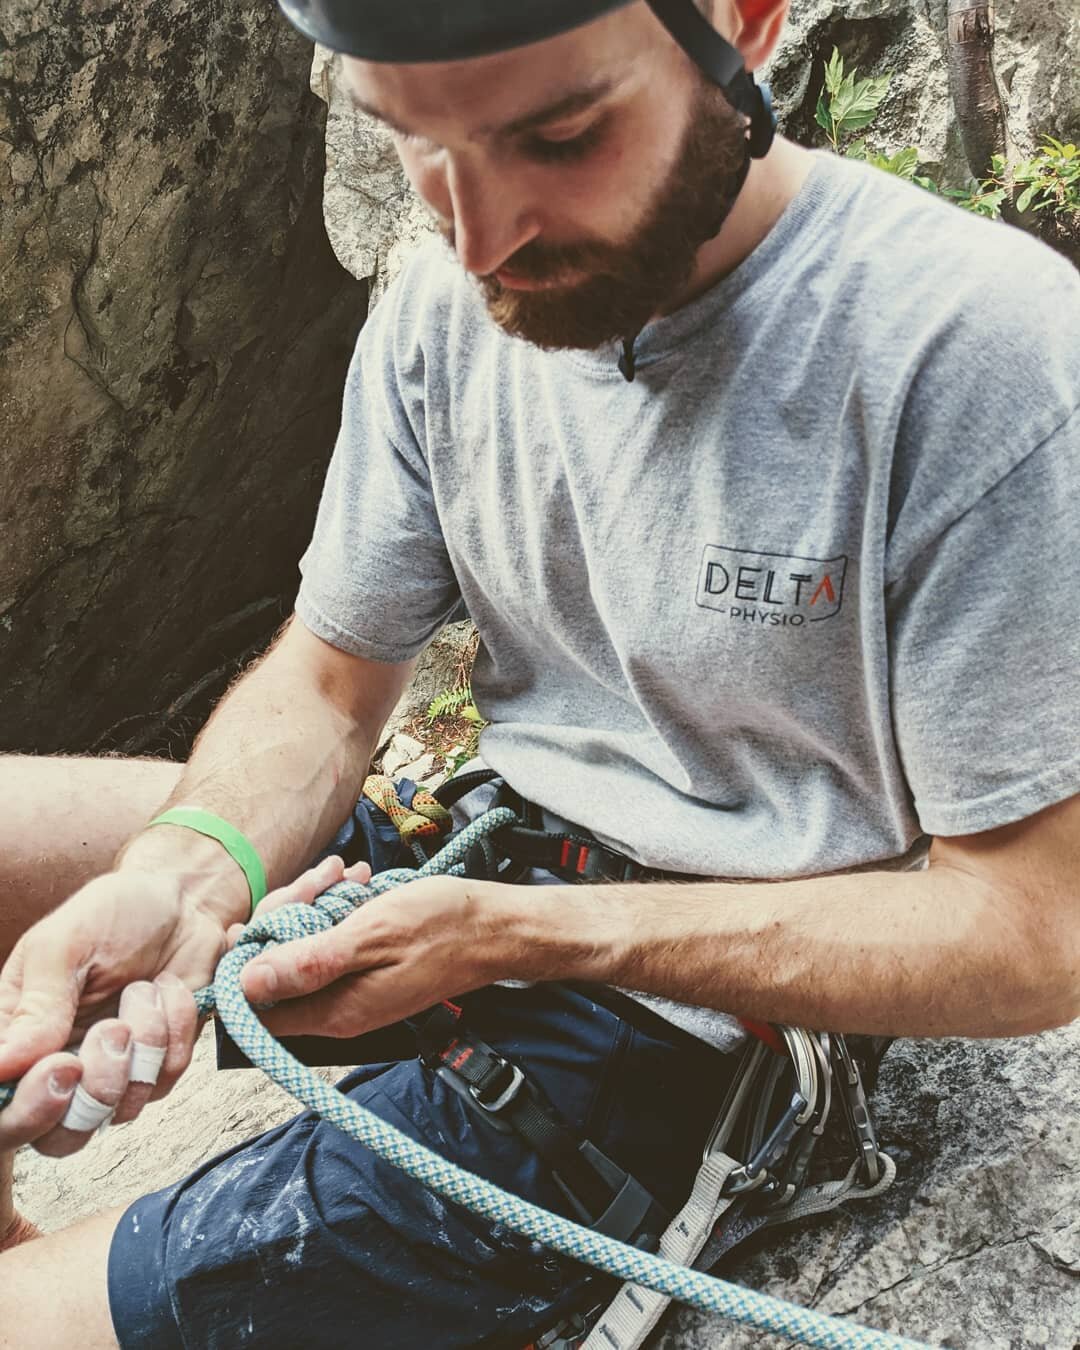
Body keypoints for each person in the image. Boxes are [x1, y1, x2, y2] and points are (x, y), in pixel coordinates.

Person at [1, 0, 1078, 1345]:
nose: (477, 233)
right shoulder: (443, 305)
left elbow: (1035, 927)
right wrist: (185, 876)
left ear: (740, 22)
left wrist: (515, 937)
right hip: (485, 847)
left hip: (697, 1019)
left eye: (560, 137)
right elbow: (330, 692)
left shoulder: (970, 346)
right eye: (412, 143)